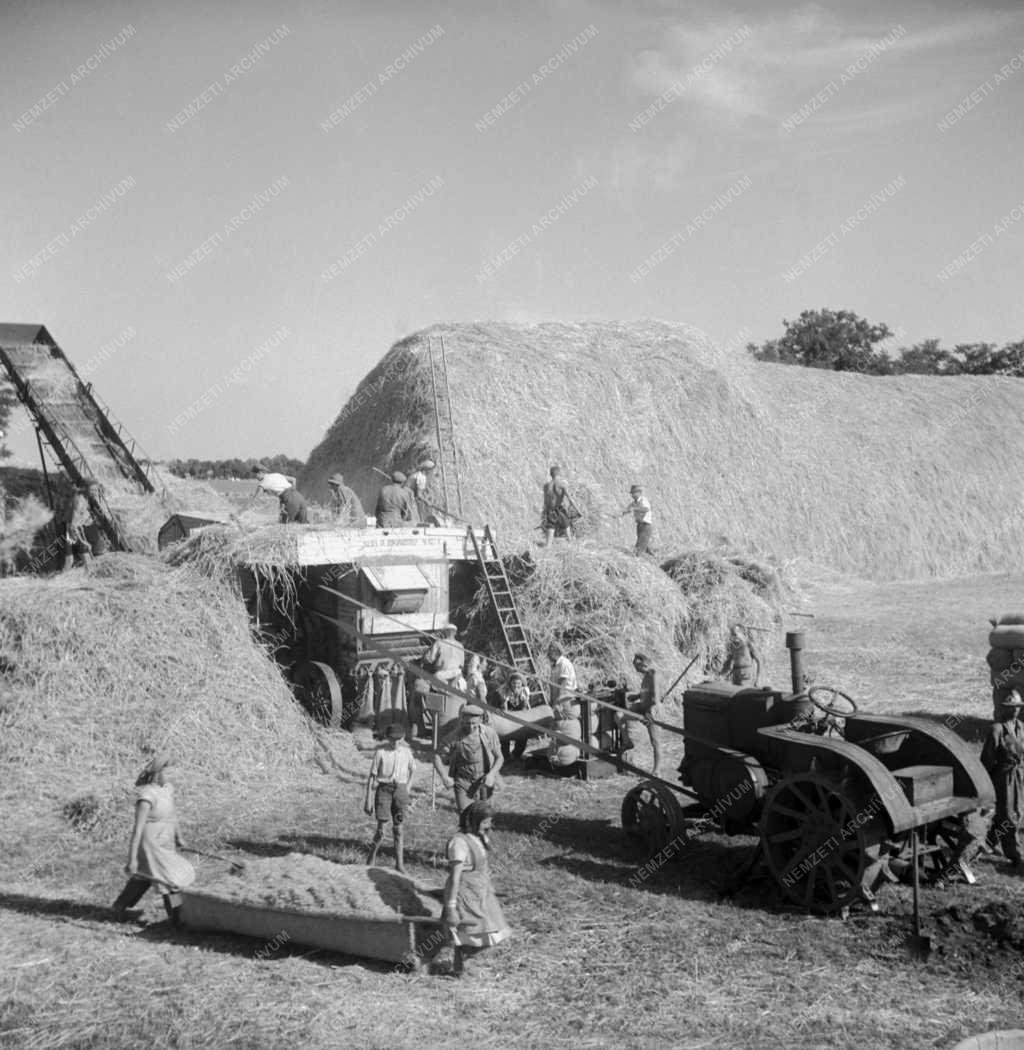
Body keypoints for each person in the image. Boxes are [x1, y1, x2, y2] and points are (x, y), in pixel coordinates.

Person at [111, 752, 195, 927]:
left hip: (165, 843)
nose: (173, 776)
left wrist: (179, 837)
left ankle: (120, 905)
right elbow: (138, 829)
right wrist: (132, 858)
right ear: (158, 773)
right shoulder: (147, 796)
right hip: (151, 845)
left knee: (145, 877)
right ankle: (176, 919)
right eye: (169, 772)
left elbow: (172, 815)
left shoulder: (168, 790)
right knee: (171, 880)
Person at [442, 801, 510, 977]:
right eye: (485, 822)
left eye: (490, 822)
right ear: (473, 821)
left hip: (482, 892)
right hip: (466, 895)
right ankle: (461, 962)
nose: (489, 826)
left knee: (497, 932)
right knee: (474, 934)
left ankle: (461, 961)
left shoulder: (478, 838)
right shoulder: (459, 842)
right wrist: (451, 907)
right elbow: (455, 877)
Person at [980, 690, 1024, 870]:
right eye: (1010, 707)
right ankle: (1016, 855)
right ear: (1003, 709)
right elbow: (987, 759)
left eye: (1017, 707)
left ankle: (987, 843)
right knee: (1009, 816)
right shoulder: (997, 729)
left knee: (1016, 812)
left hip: (1018, 776)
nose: (1014, 711)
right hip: (1002, 778)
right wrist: (985, 783)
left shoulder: (1021, 727)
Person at [433, 704, 503, 815]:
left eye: (474, 724)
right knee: (465, 816)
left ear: (480, 720)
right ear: (461, 720)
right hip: (462, 781)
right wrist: (444, 776)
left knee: (484, 815)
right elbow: (437, 756)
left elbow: (500, 758)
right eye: (467, 723)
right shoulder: (454, 736)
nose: (470, 727)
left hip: (483, 780)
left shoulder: (489, 734)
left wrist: (491, 774)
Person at [365, 722, 415, 873]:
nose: (395, 743)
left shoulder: (407, 753)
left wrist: (406, 789)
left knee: (398, 829)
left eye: (398, 740)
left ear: (403, 738)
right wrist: (368, 799)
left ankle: (399, 865)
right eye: (392, 740)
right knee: (381, 831)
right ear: (387, 738)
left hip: (400, 793)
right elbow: (372, 777)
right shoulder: (381, 753)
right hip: (384, 791)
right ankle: (371, 857)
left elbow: (412, 771)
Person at [626, 653, 666, 778]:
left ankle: (657, 770)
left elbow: (655, 698)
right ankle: (627, 742)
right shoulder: (646, 675)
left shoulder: (654, 675)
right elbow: (646, 692)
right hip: (645, 706)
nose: (636, 670)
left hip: (653, 712)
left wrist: (647, 713)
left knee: (655, 742)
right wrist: (637, 696)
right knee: (621, 714)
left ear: (644, 664)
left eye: (637, 667)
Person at [58, 483, 96, 571]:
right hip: (69, 530)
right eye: (92, 490)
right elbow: (72, 526)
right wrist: (83, 542)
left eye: (96, 490)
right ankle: (62, 581)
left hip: (76, 529)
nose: (95, 492)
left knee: (87, 560)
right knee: (70, 560)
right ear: (86, 489)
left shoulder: (85, 497)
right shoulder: (79, 501)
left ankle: (88, 580)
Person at [540, 466, 581, 546]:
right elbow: (570, 499)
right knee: (566, 525)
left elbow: (545, 501)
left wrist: (545, 512)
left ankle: (548, 547)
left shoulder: (546, 486)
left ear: (551, 474)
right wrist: (578, 510)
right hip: (559, 509)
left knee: (551, 527)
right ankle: (571, 543)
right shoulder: (562, 484)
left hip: (549, 510)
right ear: (559, 473)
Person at [499, 672, 532, 762]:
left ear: (521, 684)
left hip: (520, 713)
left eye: (518, 683)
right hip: (507, 713)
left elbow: (524, 708)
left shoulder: (525, 691)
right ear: (510, 683)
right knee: (504, 733)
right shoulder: (505, 690)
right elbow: (504, 708)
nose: (516, 685)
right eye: (514, 683)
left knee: (523, 733)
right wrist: (508, 718)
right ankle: (505, 755)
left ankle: (516, 754)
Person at [547, 642, 578, 720]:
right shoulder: (554, 666)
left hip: (566, 700)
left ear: (556, 652)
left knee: (564, 722)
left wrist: (559, 703)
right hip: (558, 699)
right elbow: (552, 685)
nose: (548, 655)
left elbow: (562, 685)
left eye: (550, 652)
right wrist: (551, 701)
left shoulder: (564, 664)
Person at [620, 483, 653, 555]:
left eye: (634, 493)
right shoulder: (634, 503)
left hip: (646, 526)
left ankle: (638, 558)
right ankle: (653, 558)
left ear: (639, 493)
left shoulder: (644, 500)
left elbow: (646, 509)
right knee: (644, 544)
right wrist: (619, 514)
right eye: (631, 493)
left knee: (639, 546)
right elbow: (626, 510)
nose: (632, 495)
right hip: (639, 526)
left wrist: (634, 509)